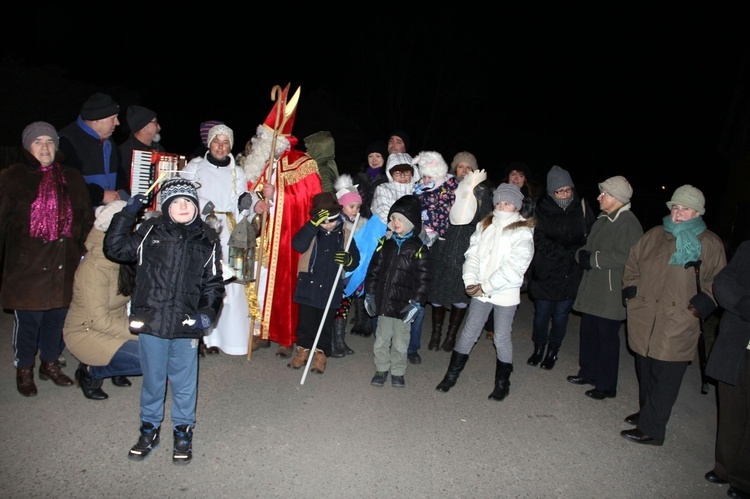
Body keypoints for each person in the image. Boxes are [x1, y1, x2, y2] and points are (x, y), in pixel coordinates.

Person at [103, 178, 224, 464]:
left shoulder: (208, 238)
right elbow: (115, 249)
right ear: (167, 206)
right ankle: (149, 428)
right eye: (177, 202)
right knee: (154, 380)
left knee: (184, 382)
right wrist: (127, 213)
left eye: (189, 202)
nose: (184, 207)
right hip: (153, 321)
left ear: (196, 206)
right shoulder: (149, 231)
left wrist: (207, 313)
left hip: (186, 324)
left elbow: (214, 284)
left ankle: (183, 430)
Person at [620, 184, 726, 446]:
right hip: (645, 314)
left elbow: (719, 282)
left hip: (679, 317)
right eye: (675, 207)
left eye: (685, 209)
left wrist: (701, 305)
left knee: (666, 375)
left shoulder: (709, 243)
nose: (678, 213)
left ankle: (653, 430)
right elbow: (633, 263)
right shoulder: (656, 234)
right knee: (645, 369)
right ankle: (647, 413)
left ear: (698, 212)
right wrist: (631, 290)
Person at [0, 121, 93, 397]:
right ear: (28, 147)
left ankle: (49, 363)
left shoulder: (72, 177)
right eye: (38, 141)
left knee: (57, 318)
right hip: (26, 267)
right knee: (29, 323)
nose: (45, 147)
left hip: (63, 263)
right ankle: (24, 368)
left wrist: (86, 251)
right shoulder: (13, 177)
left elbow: (86, 218)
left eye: (50, 142)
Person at [242, 84, 323, 358]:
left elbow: (311, 200)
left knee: (286, 285)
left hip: (287, 237)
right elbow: (247, 192)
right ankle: (261, 331)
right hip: (261, 237)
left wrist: (278, 194)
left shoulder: (302, 163)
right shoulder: (262, 163)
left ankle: (287, 335)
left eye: (268, 138)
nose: (264, 143)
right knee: (260, 283)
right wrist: (258, 201)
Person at [435, 183, 535, 401]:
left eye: (507, 203)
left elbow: (515, 267)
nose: (501, 206)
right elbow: (472, 254)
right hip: (479, 289)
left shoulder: (522, 230)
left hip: (504, 293)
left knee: (501, 336)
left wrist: (486, 286)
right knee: (469, 332)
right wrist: (470, 280)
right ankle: (451, 375)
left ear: (516, 206)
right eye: (498, 201)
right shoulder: (484, 225)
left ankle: (502, 382)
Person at [567, 176, 643, 400]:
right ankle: (588, 372)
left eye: (604, 194)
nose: (599, 197)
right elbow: (588, 247)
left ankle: (607, 384)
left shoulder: (628, 223)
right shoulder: (603, 218)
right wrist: (581, 255)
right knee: (589, 333)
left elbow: (626, 257)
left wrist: (593, 260)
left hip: (609, 293)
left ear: (617, 198)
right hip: (594, 288)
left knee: (607, 339)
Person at [182, 124, 250, 356]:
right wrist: (201, 205)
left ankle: (221, 338)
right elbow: (182, 194)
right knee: (199, 281)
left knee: (225, 285)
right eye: (216, 141)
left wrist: (244, 205)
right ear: (209, 143)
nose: (221, 147)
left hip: (227, 232)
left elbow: (240, 205)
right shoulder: (195, 167)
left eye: (225, 142)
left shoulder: (237, 172)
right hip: (201, 229)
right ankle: (197, 336)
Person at [63, 200, 142, 400]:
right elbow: (98, 321)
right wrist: (142, 333)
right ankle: (90, 372)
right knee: (149, 356)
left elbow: (125, 302)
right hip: (86, 332)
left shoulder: (120, 258)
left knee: (156, 346)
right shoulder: (94, 268)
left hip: (113, 327)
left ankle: (116, 368)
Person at [526, 165, 595, 370]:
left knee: (560, 316)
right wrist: (567, 253)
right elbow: (539, 239)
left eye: (568, 189)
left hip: (570, 273)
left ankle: (553, 350)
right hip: (546, 271)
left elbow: (589, 235)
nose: (565, 194)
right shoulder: (541, 208)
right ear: (551, 192)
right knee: (542, 314)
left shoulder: (581, 207)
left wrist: (577, 254)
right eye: (560, 191)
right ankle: (539, 347)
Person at [287, 192, 360, 373]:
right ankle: (303, 351)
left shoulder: (345, 235)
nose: (328, 225)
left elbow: (355, 260)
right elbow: (298, 245)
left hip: (330, 287)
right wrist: (312, 225)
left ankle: (321, 355)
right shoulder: (311, 231)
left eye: (332, 221)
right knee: (306, 322)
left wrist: (348, 259)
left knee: (325, 323)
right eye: (324, 221)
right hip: (309, 285)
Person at [427, 151, 493, 352]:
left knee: (460, 292)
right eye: (460, 167)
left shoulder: (481, 191)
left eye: (468, 167)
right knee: (437, 291)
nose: (464, 171)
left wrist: (481, 200)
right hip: (443, 244)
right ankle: (436, 333)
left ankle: (451, 334)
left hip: (466, 244)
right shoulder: (445, 187)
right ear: (454, 168)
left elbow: (486, 220)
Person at [365, 195, 431, 388]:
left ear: (410, 223)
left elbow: (424, 279)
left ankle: (398, 371)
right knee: (382, 339)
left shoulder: (419, 249)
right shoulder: (385, 243)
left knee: (401, 342)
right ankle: (382, 368)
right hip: (385, 302)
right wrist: (369, 294)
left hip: (404, 306)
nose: (395, 222)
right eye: (393, 218)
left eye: (400, 219)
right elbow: (374, 270)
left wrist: (416, 303)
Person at [704, 240, 750, 496]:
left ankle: (744, 479)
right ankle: (724, 466)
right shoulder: (747, 248)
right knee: (731, 409)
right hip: (738, 344)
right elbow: (724, 279)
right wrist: (742, 302)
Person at [59, 92, 128, 207]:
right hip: (81, 218)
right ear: (96, 120)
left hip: (108, 215)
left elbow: (119, 174)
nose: (118, 122)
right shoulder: (67, 141)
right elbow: (66, 185)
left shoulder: (109, 141)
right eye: (113, 118)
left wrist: (122, 192)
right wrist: (99, 196)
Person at [331, 174, 367, 357]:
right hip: (334, 275)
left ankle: (340, 340)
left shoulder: (360, 225)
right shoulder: (335, 224)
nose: (355, 210)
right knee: (334, 307)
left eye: (358, 207)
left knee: (344, 307)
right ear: (341, 206)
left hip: (349, 276)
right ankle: (331, 341)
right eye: (351, 206)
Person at [118, 105, 165, 174]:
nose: (159, 127)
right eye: (155, 122)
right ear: (143, 128)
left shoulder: (159, 149)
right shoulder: (124, 153)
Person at [352, 139, 389, 220]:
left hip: (379, 220)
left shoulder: (388, 179)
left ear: (384, 158)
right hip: (359, 219)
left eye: (378, 156)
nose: (374, 160)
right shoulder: (358, 178)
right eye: (370, 156)